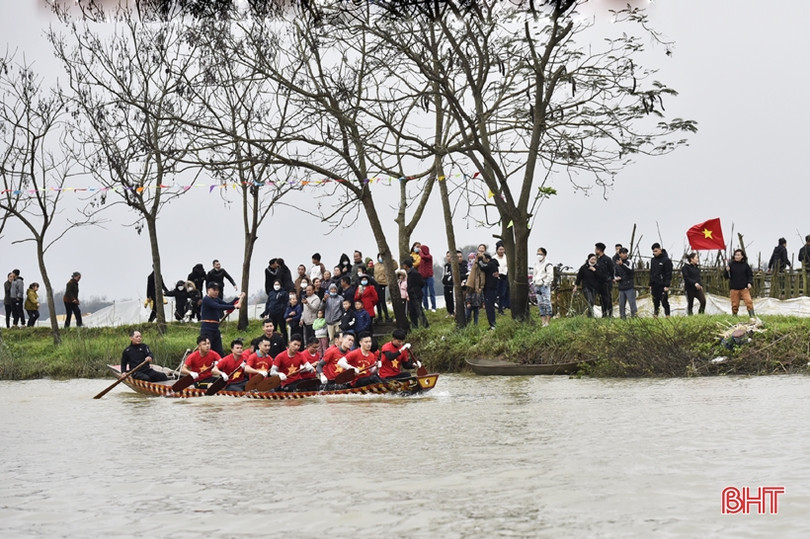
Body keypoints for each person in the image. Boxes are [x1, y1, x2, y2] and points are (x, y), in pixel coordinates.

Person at [200, 282, 244, 356]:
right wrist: (234, 306)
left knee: (219, 351)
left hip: (215, 328)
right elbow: (218, 306)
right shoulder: (206, 300)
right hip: (207, 329)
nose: (216, 292)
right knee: (207, 350)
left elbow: (227, 304)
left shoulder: (216, 299)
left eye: (217, 290)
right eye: (214, 290)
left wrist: (237, 298)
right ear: (208, 290)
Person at [724, 249, 756, 318]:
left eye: (738, 255)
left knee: (749, 302)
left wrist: (749, 282)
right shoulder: (731, 265)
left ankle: (752, 316)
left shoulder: (745, 265)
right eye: (735, 255)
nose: (736, 256)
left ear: (742, 256)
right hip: (734, 288)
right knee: (735, 305)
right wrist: (727, 271)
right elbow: (726, 277)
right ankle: (734, 317)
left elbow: (750, 275)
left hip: (744, 288)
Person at [401, 258, 429, 328]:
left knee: (419, 310)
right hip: (411, 295)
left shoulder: (415, 273)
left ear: (406, 265)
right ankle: (414, 326)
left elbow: (421, 283)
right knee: (412, 312)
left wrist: (415, 289)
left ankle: (425, 325)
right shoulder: (407, 274)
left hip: (416, 295)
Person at [649, 243, 672, 318]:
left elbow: (668, 273)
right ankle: (656, 316)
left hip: (662, 285)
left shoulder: (666, 260)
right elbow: (652, 272)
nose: (654, 253)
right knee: (655, 301)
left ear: (660, 249)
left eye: (656, 251)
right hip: (654, 284)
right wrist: (650, 284)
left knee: (664, 301)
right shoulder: (653, 260)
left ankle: (668, 316)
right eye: (653, 251)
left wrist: (667, 285)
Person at [533, 247, 554, 327]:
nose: (539, 256)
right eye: (538, 254)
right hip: (537, 285)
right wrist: (534, 281)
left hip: (544, 286)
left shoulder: (548, 264)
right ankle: (543, 321)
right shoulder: (536, 264)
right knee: (540, 303)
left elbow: (550, 276)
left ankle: (548, 322)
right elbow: (535, 274)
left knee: (547, 303)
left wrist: (545, 283)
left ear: (544, 255)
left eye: (540, 254)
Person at [614, 248, 637, 319]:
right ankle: (622, 319)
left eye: (626, 253)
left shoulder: (629, 262)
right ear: (620, 254)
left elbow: (630, 271)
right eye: (623, 253)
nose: (625, 255)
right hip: (621, 287)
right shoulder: (617, 263)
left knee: (632, 304)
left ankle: (634, 317)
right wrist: (616, 278)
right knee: (621, 305)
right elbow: (615, 274)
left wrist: (622, 265)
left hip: (629, 286)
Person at [442, 250, 467, 318]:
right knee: (449, 300)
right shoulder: (448, 266)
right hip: (449, 284)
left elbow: (465, 275)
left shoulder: (464, 265)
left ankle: (461, 313)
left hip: (462, 285)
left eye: (460, 257)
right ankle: (451, 313)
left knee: (460, 300)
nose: (459, 258)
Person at [480, 252, 500, 330]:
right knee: (490, 307)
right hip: (491, 288)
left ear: (487, 259)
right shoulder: (493, 264)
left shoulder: (491, 264)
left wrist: (480, 260)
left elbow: (482, 267)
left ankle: (492, 324)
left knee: (489, 307)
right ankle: (492, 324)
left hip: (490, 289)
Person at [594, 243, 614, 318]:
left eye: (596, 249)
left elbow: (612, 270)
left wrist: (610, 278)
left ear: (599, 250)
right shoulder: (597, 260)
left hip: (607, 282)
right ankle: (604, 314)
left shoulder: (607, 259)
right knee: (602, 299)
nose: (595, 251)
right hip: (600, 283)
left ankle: (610, 314)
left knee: (608, 298)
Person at [373, 253, 394, 323]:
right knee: (377, 301)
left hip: (383, 284)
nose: (380, 258)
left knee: (382, 301)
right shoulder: (375, 265)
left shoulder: (387, 264)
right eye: (379, 256)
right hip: (376, 284)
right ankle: (379, 317)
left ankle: (387, 316)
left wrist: (391, 259)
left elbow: (395, 266)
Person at [415, 243, 436, 312]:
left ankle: (433, 307)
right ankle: (426, 307)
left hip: (429, 277)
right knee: (424, 294)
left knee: (432, 292)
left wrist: (420, 252)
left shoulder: (429, 257)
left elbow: (424, 257)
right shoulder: (420, 258)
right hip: (422, 277)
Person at [493, 242, 509, 314]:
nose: (501, 251)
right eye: (500, 249)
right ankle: (493, 308)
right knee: (495, 293)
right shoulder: (494, 258)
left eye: (502, 249)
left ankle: (501, 309)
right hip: (496, 277)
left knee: (503, 294)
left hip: (504, 276)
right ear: (497, 250)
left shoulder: (507, 257)